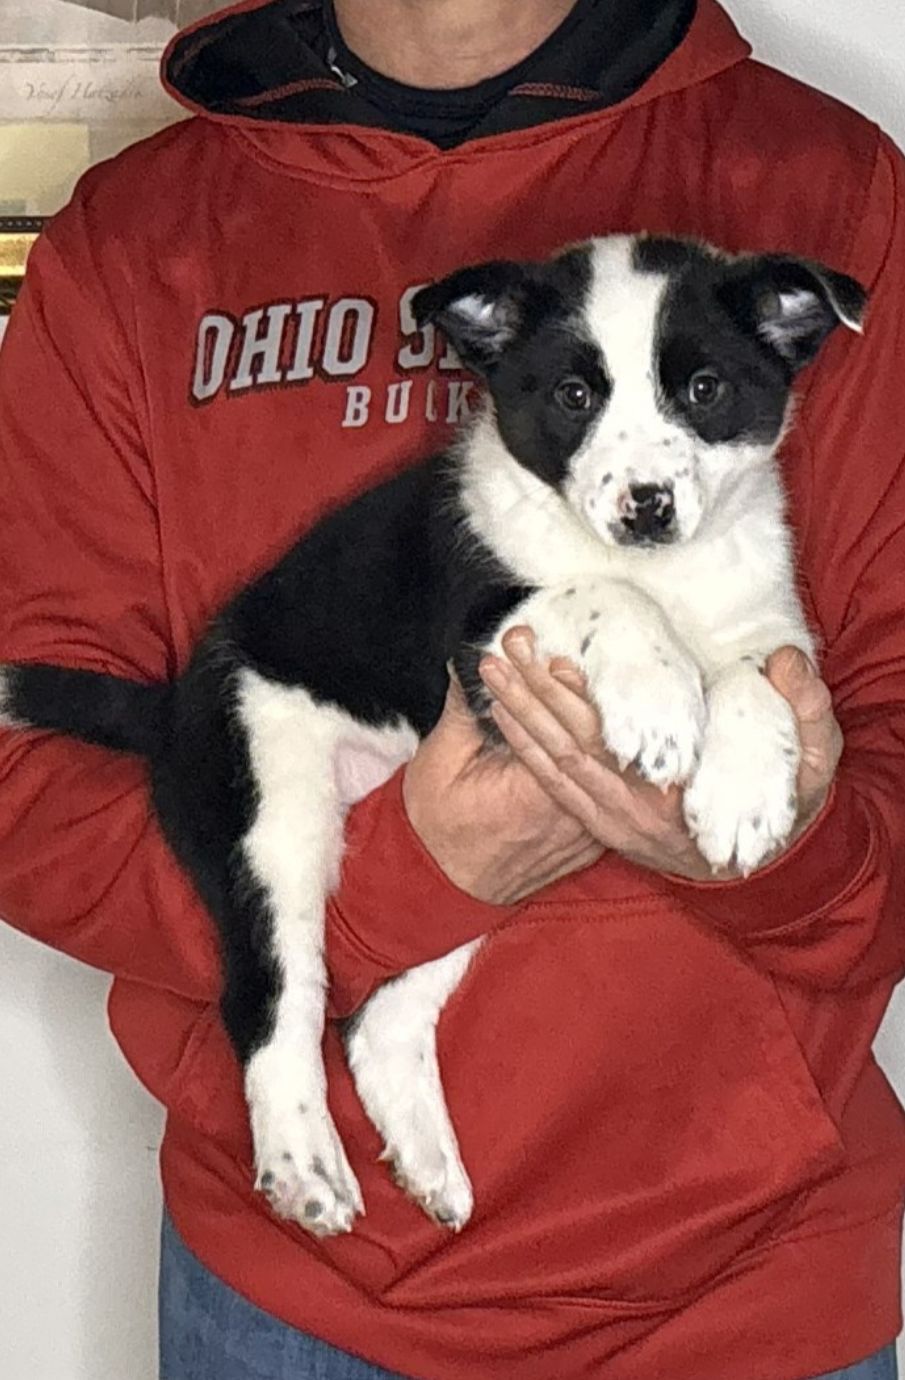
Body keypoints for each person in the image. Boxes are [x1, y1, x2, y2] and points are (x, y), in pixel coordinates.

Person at [0, 0, 903, 1376]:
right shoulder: (136, 238)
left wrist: (770, 854)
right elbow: (27, 779)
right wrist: (413, 880)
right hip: (296, 1290)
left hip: (746, 1291)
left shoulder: (822, 187)